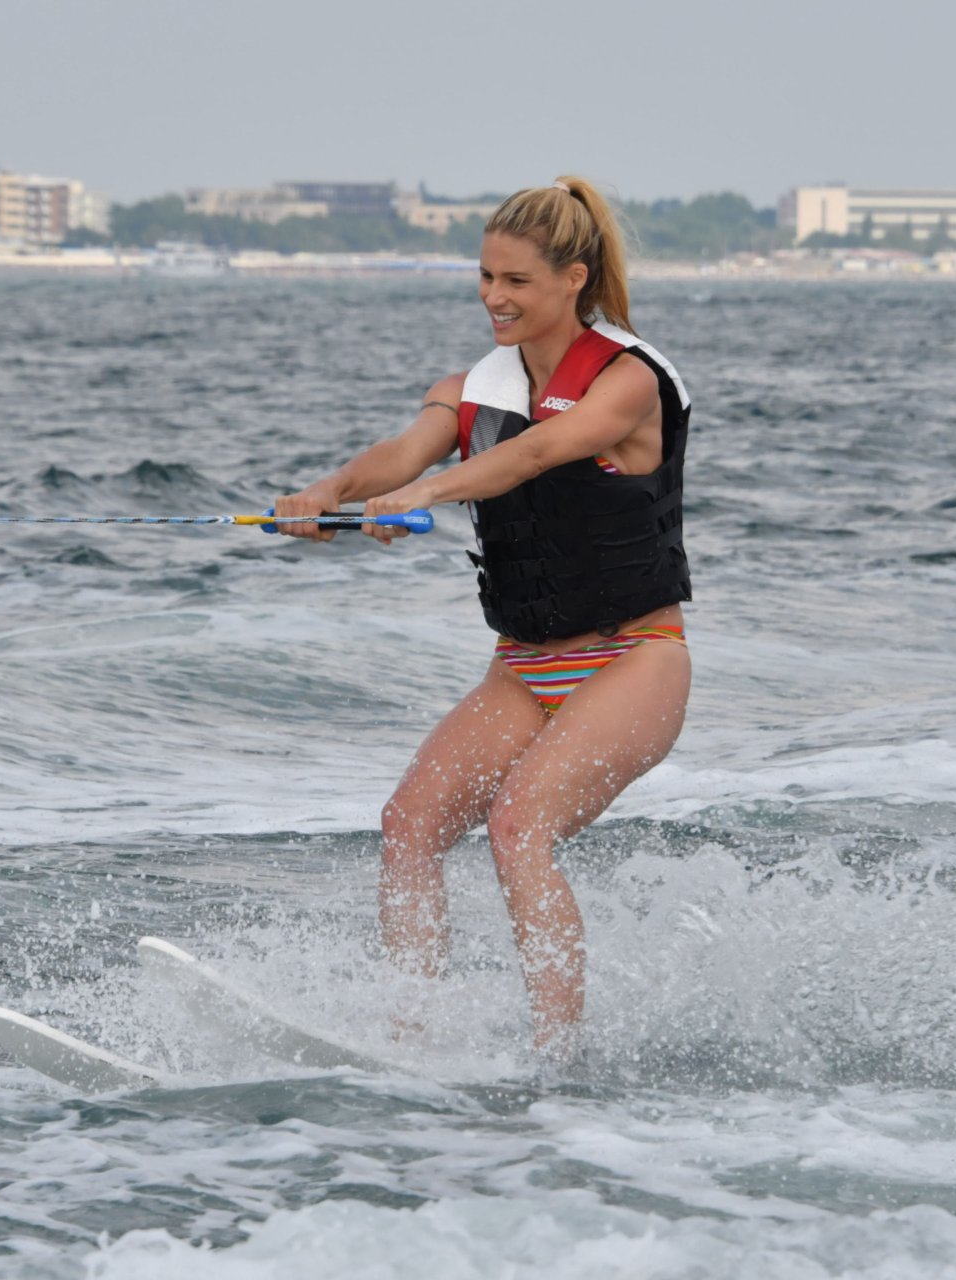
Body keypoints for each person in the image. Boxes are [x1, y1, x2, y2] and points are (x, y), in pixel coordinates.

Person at [274, 176, 693, 1050]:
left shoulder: (627, 382)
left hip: (634, 657)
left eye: (516, 281)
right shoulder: (471, 388)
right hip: (524, 666)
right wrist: (330, 492)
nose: (494, 297)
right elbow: (403, 453)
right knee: (410, 825)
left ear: (573, 279)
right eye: (486, 276)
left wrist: (425, 495)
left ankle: (557, 1057)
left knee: (518, 825)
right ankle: (410, 1035)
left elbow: (538, 453)